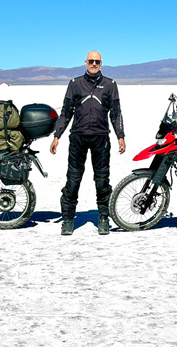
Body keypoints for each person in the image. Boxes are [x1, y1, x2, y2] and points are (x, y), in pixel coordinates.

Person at [50, 51, 125, 236]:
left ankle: (103, 218)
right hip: (78, 138)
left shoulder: (110, 84)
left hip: (101, 138)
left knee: (102, 180)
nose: (94, 64)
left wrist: (120, 136)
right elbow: (66, 111)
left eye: (97, 61)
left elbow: (116, 112)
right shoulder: (75, 84)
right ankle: (68, 219)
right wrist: (57, 135)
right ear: (85, 63)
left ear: (101, 63)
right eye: (91, 61)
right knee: (73, 180)